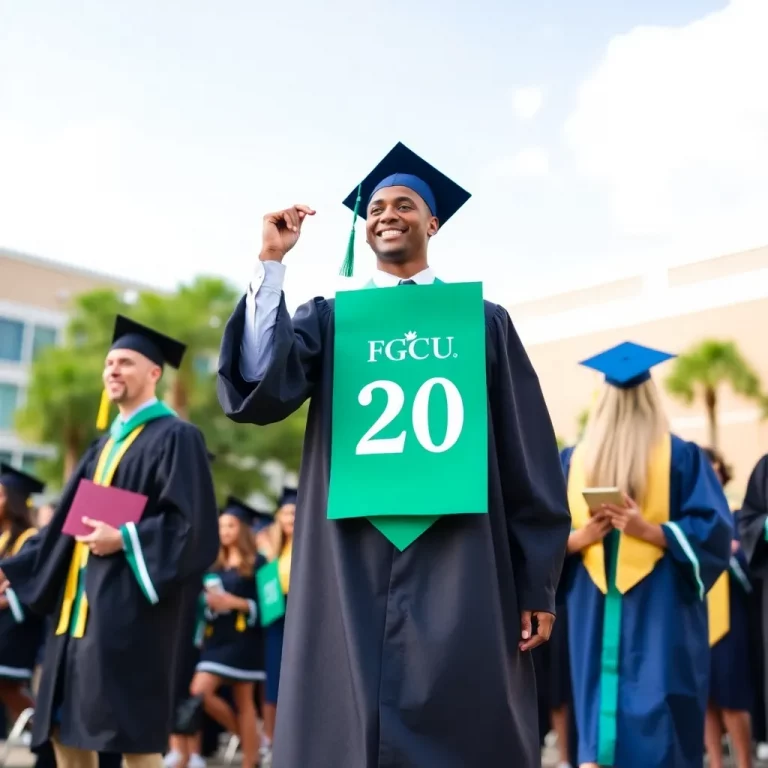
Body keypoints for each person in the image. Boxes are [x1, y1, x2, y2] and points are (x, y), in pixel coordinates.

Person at [217, 142, 571, 767]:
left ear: (432, 222)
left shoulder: (482, 322)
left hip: (461, 550)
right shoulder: (330, 320)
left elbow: (527, 457)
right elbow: (261, 389)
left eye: (405, 204)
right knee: (345, 725)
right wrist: (270, 264)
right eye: (376, 206)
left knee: (464, 719)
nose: (387, 214)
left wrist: (536, 580)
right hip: (350, 554)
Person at [0, 315, 219, 768]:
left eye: (125, 362)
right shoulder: (102, 448)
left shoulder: (177, 437)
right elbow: (63, 525)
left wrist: (125, 538)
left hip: (127, 615)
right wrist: (12, 569)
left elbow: (194, 528)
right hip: (74, 615)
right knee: (62, 729)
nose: (113, 371)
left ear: (154, 373)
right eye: (109, 363)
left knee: (129, 738)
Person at [561, 341, 732, 768]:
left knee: (649, 718)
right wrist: (584, 538)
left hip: (653, 606)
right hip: (619, 604)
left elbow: (715, 531)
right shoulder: (574, 461)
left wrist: (648, 531)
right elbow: (713, 531)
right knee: (650, 722)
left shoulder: (677, 458)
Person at [190, 496, 266, 768]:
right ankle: (251, 744)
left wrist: (235, 603)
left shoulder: (259, 563)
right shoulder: (215, 565)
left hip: (245, 641)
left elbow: (269, 605)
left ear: (243, 529)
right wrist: (210, 604)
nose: (225, 532)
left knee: (244, 701)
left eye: (231, 526)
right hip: (216, 639)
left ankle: (249, 760)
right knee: (199, 692)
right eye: (221, 527)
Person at [703, 447, 754, 768]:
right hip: (698, 616)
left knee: (733, 700)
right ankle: (718, 765)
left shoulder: (736, 515)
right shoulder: (690, 517)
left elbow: (751, 562)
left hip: (731, 618)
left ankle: (745, 763)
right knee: (705, 699)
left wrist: (732, 553)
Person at [0, 465, 45, 723]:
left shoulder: (31, 539)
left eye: (1, 495)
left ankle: (48, 734)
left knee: (10, 690)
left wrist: (7, 599)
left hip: (17, 632)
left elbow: (32, 588)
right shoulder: (3, 538)